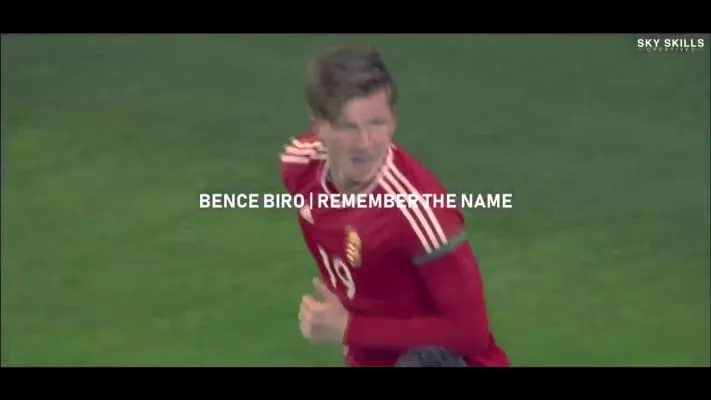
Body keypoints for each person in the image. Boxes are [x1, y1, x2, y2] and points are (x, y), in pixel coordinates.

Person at [280, 44, 509, 367]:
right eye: (348, 127)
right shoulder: (301, 167)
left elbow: (470, 334)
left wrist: (350, 328)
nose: (365, 143)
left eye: (377, 123)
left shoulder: (421, 213)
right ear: (318, 127)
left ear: (394, 120)